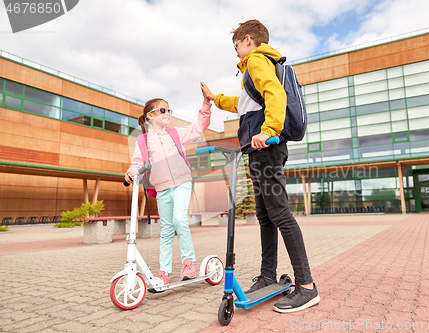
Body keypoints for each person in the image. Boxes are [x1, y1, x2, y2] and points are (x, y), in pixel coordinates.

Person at [201, 19, 320, 313]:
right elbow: (242, 104)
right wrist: (215, 99)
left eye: (237, 44)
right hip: (257, 150)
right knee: (265, 216)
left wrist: (268, 131)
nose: (236, 50)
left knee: (279, 213)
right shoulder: (251, 70)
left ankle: (306, 286)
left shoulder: (256, 61)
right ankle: (268, 276)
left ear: (248, 40)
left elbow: (275, 95)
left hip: (266, 147)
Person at [125, 84, 212, 285]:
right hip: (161, 188)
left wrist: (206, 103)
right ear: (149, 116)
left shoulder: (174, 134)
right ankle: (164, 272)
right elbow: (137, 163)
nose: (167, 113)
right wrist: (131, 172)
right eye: (162, 110)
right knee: (165, 229)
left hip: (182, 182)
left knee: (180, 220)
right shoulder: (143, 141)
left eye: (169, 110)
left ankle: (188, 263)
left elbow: (198, 126)